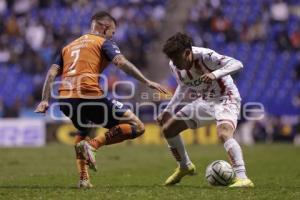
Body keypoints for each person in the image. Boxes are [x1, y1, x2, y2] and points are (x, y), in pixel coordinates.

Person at [35, 11, 168, 189]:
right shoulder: (103, 42)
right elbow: (121, 62)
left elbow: (51, 72)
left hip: (65, 100)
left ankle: (84, 179)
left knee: (83, 129)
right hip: (89, 95)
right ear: (105, 28)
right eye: (112, 31)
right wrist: (146, 81)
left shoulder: (68, 47)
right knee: (137, 126)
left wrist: (45, 100)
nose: (113, 35)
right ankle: (94, 145)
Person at [157, 32, 254, 187]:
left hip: (225, 97)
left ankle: (243, 178)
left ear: (188, 53)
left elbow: (237, 64)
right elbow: (183, 86)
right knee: (168, 130)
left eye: (177, 59)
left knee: (223, 133)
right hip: (205, 100)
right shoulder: (174, 65)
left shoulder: (206, 56)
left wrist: (215, 74)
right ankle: (185, 166)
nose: (174, 64)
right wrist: (169, 109)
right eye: (172, 60)